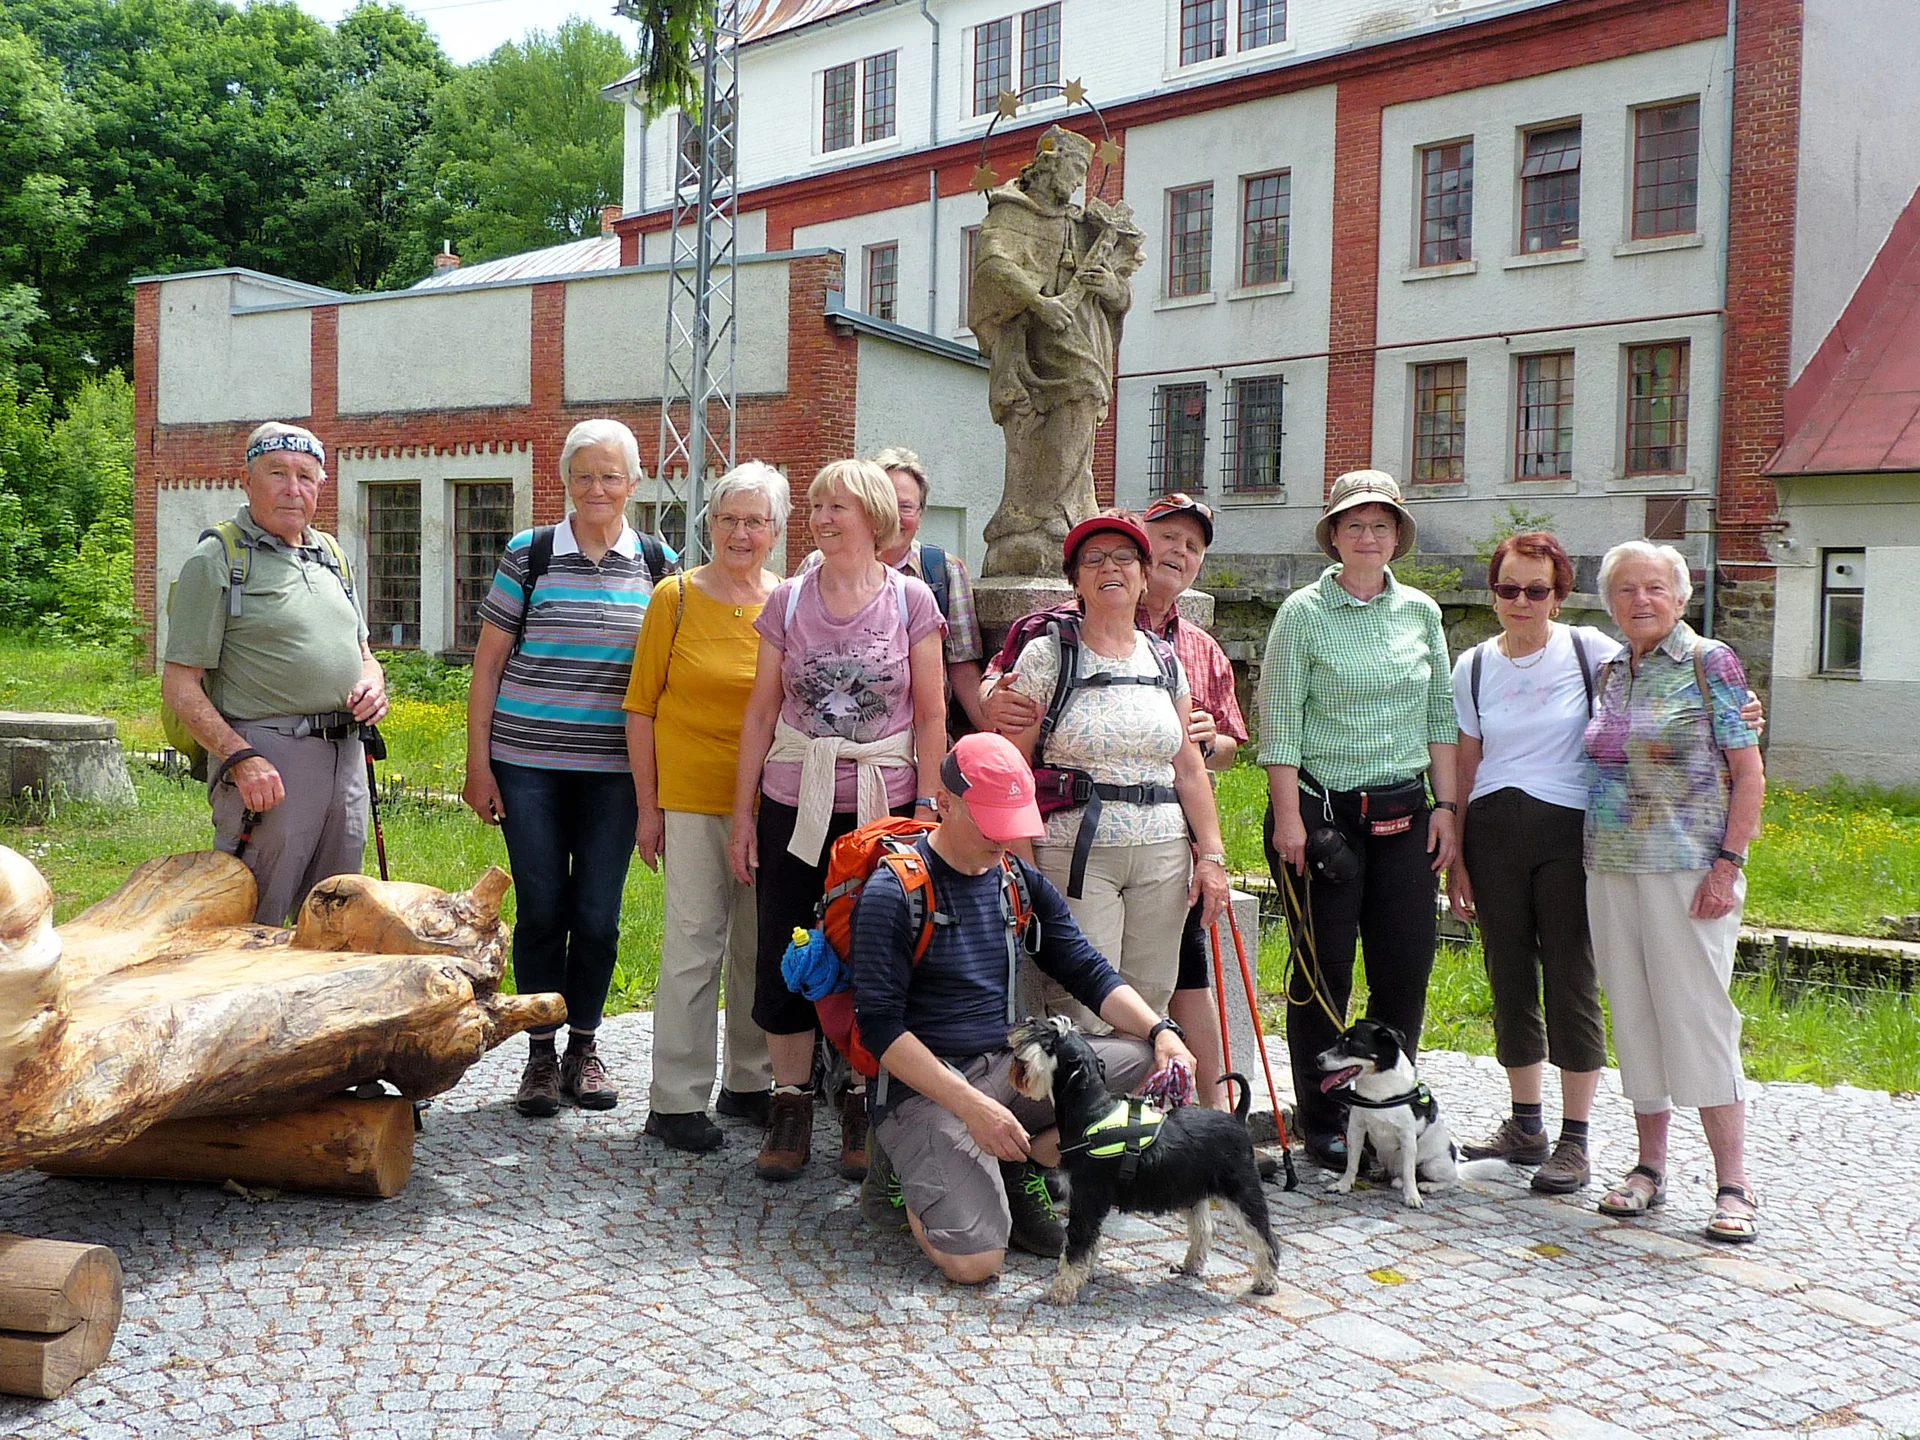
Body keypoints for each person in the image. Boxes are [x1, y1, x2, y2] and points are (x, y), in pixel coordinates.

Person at [1447, 533, 1767, 1193]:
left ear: (1561, 597)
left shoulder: (1652, 656)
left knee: (1659, 1004)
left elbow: (1739, 754)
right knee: (1599, 1000)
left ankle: (1714, 1178)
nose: (1522, 601)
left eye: (1537, 589)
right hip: (1591, 854)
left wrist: (1728, 860)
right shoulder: (1588, 667)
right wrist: (1455, 840)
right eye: (1508, 588)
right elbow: (1469, 754)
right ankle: (1610, 1153)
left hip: (1643, 851)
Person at [852, 733, 1200, 1283]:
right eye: (989, 821)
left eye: (1009, 820)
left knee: (1148, 1069)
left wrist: (1162, 1032)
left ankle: (1023, 1163)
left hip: (1010, 1067)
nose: (1002, 837)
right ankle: (899, 1165)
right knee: (976, 1263)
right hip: (927, 1090)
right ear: (945, 803)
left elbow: (1086, 968)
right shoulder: (892, 893)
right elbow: (879, 1030)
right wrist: (974, 1109)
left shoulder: (1015, 879)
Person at [982, 492, 1246, 1105]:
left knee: (1151, 999)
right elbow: (1014, 767)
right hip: (1076, 849)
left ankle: (1135, 1134)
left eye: (1125, 558)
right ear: (1074, 578)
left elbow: (1188, 766)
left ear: (1144, 573)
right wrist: (1020, 862)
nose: (1111, 569)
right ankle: (1081, 1137)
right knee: (1080, 1000)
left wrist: (1211, 855)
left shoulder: (1165, 658)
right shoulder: (1049, 654)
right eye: (1095, 558)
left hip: (1162, 853)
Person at [729, 458, 948, 1182]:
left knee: (873, 951)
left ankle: (859, 1097)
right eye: (816, 505)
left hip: (883, 809)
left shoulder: (912, 600)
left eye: (838, 507)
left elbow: (932, 712)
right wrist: (742, 815)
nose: (823, 518)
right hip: (796, 804)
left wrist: (926, 809)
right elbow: (761, 712)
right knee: (787, 947)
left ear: (875, 516)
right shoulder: (789, 601)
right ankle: (791, 1102)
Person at [462, 419, 675, 1120]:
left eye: (611, 475)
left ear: (634, 484)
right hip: (528, 767)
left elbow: (676, 669)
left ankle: (586, 1046)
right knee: (544, 908)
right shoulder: (530, 553)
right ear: (564, 480)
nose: (597, 488)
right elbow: (488, 665)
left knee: (599, 915)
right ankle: (540, 1055)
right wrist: (478, 764)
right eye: (584, 474)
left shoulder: (656, 559)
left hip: (616, 772)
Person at [1259, 470, 1460, 1171]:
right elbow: (1279, 724)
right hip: (1322, 816)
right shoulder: (1303, 613)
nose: (1367, 537)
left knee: (1405, 966)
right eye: (1353, 525)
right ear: (1335, 535)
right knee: (1324, 975)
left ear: (1397, 536)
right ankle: (1324, 1121)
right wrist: (1289, 819)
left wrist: (1448, 808)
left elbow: (1440, 717)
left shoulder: (1423, 614)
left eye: (1380, 525)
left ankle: (1389, 1113)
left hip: (1406, 811)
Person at [1582, 542, 1765, 1244]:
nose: (1641, 601)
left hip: (1689, 866)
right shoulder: (1608, 670)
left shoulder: (1708, 661)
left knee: (1698, 1016)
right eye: (1627, 590)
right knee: (1634, 1014)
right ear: (1610, 601)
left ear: (1681, 596)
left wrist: (1728, 862)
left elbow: (1748, 772)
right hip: (1610, 865)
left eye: (1655, 588)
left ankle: (1733, 1182)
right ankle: (1649, 1168)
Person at [161, 421, 389, 926]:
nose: (293, 488)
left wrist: (374, 681)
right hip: (269, 761)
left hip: (345, 757)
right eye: (277, 473)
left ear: (320, 486)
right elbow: (179, 685)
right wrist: (241, 759)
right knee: (252, 919)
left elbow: (363, 651)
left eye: (305, 476)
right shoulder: (218, 558)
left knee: (334, 917)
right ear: (246, 481)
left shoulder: (332, 555)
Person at [624, 462, 788, 1152]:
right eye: (728, 519)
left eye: (755, 520)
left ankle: (749, 1083)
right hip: (691, 800)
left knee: (759, 947)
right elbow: (639, 707)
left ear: (777, 530)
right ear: (709, 524)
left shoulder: (790, 600)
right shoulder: (675, 598)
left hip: (773, 801)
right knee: (694, 947)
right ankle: (675, 1100)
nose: (740, 533)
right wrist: (648, 808)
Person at [969, 125, 1145, 576]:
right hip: (1027, 347)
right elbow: (993, 267)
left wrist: (1112, 289)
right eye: (1076, 166)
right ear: (1050, 160)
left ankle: (1068, 514)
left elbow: (1118, 288)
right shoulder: (1011, 213)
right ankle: (1031, 517)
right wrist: (1038, 303)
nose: (1080, 179)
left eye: (1087, 170)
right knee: (1043, 421)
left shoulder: (1082, 225)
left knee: (1086, 397)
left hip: (1078, 336)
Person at [804, 447, 988, 735]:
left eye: (905, 507)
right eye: (885, 502)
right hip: (822, 736)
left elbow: (962, 667)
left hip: (916, 742)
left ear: (921, 514)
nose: (894, 516)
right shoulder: (815, 567)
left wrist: (998, 742)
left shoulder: (944, 571)